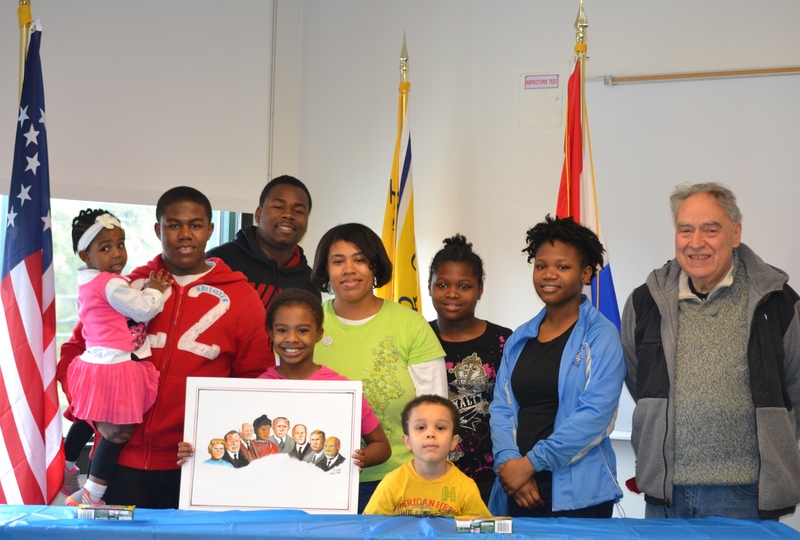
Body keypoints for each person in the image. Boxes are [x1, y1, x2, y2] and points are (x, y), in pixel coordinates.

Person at [60, 186, 272, 508]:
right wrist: (94, 417)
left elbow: (254, 382)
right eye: (173, 225)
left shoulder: (243, 298)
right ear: (158, 229)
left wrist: (220, 442)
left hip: (197, 463)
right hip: (119, 462)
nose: (185, 234)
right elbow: (77, 354)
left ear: (210, 230)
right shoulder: (126, 286)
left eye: (196, 225)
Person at [621, 182, 800, 520]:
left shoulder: (776, 300)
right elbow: (638, 380)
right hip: (665, 495)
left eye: (710, 229)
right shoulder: (645, 301)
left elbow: (795, 387)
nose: (696, 242)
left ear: (735, 234)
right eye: (685, 229)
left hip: (746, 494)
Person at [488, 215, 625, 518]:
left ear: (585, 274)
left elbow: (595, 417)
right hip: (517, 487)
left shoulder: (602, 335)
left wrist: (530, 464)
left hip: (579, 495)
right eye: (541, 266)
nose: (549, 274)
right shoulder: (519, 338)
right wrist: (511, 465)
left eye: (562, 267)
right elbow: (501, 410)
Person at [311, 223, 447, 510]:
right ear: (325, 270)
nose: (349, 269)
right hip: (319, 479)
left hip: (400, 481)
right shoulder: (306, 325)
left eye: (359, 259)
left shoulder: (411, 325)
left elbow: (436, 410)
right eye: (338, 261)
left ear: (375, 266)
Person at [63, 209, 172, 506]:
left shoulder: (87, 281)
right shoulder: (110, 284)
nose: (116, 254)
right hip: (116, 364)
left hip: (93, 362)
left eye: (120, 244)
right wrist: (156, 291)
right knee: (116, 433)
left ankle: (67, 466)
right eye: (105, 248)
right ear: (86, 255)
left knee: (86, 419)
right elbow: (143, 310)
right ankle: (92, 495)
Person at [260, 288, 391, 472]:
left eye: (303, 330)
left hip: (327, 493)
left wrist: (357, 460)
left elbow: (382, 446)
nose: (292, 338)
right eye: (282, 330)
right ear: (271, 333)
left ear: (319, 334)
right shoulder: (257, 388)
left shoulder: (342, 389)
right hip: (273, 493)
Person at [427, 234, 512, 504]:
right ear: (429, 286)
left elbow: (514, 409)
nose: (452, 293)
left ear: (480, 289)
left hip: (490, 477)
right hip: (429, 475)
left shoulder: (503, 340)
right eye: (442, 284)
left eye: (464, 286)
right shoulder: (417, 338)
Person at [364, 395, 490, 517]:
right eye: (420, 427)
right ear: (407, 441)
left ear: (453, 442)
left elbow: (481, 531)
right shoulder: (391, 484)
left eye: (440, 428)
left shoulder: (466, 488)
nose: (430, 433)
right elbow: (370, 528)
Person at [206, 175, 319, 310]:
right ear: (258, 214)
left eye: (298, 211)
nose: (288, 215)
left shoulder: (309, 282)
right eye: (278, 207)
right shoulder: (219, 262)